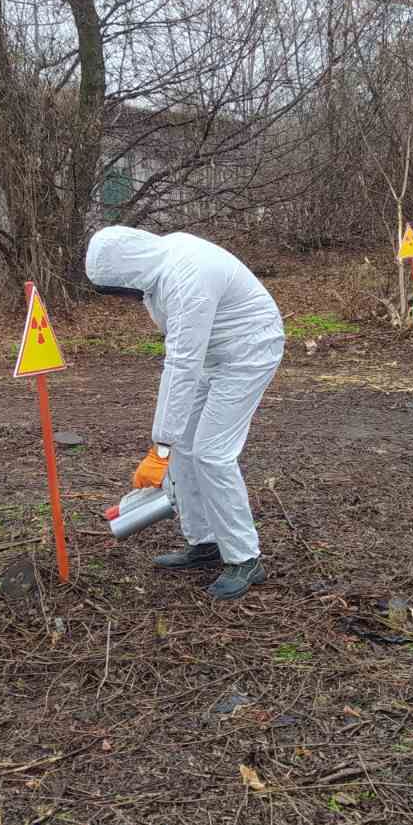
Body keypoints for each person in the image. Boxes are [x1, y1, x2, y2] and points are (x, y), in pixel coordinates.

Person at [85, 226, 285, 600]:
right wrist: (167, 448)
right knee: (184, 449)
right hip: (213, 354)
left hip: (249, 351)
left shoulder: (187, 277)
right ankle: (205, 542)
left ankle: (245, 558)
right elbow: (183, 358)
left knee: (212, 452)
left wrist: (159, 447)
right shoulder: (156, 272)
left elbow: (181, 364)